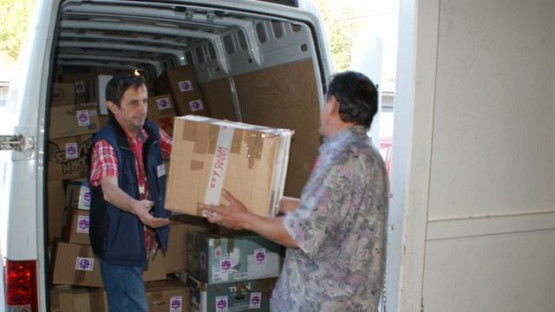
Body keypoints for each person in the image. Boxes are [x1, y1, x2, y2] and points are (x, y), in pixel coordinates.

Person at [201, 71, 389, 311]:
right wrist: (270, 201)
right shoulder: (367, 154)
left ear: (333, 104)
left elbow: (298, 234)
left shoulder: (343, 158)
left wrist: (243, 219)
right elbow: (326, 211)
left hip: (322, 302)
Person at [88, 74, 171, 312]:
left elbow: (185, 150)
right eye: (133, 103)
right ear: (113, 107)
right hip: (119, 241)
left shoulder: (151, 133)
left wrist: (221, 137)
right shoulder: (106, 143)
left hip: (142, 239)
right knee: (131, 307)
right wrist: (136, 206)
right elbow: (109, 189)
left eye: (144, 101)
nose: (142, 109)